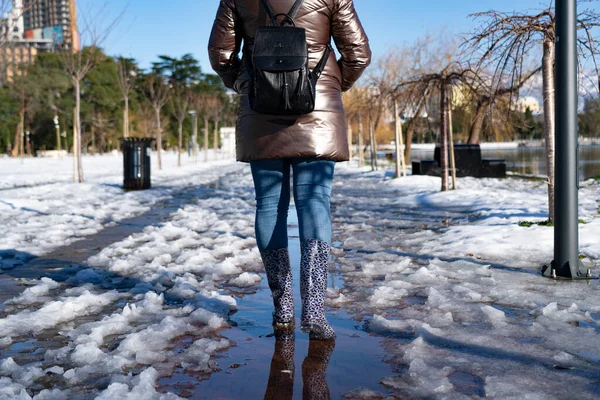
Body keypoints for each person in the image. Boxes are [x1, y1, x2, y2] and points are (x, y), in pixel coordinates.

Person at [208, 0, 371, 340]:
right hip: (318, 107)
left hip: (260, 109)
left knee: (269, 205)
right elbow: (357, 53)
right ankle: (314, 310)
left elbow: (221, 55)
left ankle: (282, 306)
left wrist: (246, 82)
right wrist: (329, 85)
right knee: (314, 200)